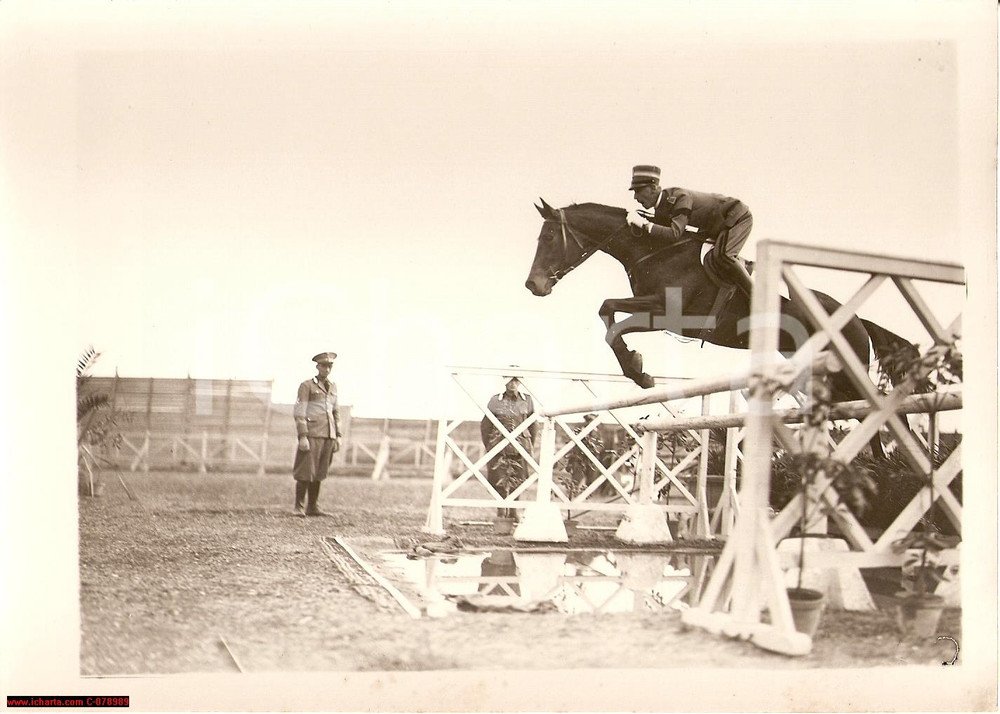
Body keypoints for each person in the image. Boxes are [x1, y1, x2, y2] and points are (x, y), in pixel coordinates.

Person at [625, 164, 755, 298]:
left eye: (638, 191)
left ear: (653, 188)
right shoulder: (661, 208)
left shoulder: (680, 197)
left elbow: (674, 234)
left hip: (736, 217)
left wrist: (644, 224)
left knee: (723, 256)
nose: (635, 197)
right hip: (715, 225)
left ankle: (756, 296)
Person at [480, 374, 539, 519]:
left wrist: (529, 444)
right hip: (499, 446)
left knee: (519, 478)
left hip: (520, 447)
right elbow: (486, 426)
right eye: (510, 380)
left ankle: (514, 510)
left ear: (519, 382)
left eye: (516, 380)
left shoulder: (528, 400)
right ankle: (501, 510)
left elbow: (533, 426)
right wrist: (490, 445)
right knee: (498, 478)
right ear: (504, 383)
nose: (513, 383)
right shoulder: (495, 400)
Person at [292, 351, 342, 517]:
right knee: (306, 470)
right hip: (312, 433)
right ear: (317, 366)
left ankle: (312, 507)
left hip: (328, 435)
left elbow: (336, 412)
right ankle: (299, 507)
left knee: (320, 471)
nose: (326, 369)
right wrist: (303, 435)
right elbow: (300, 411)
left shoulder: (333, 387)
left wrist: (338, 435)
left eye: (329, 366)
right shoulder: (307, 386)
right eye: (323, 366)